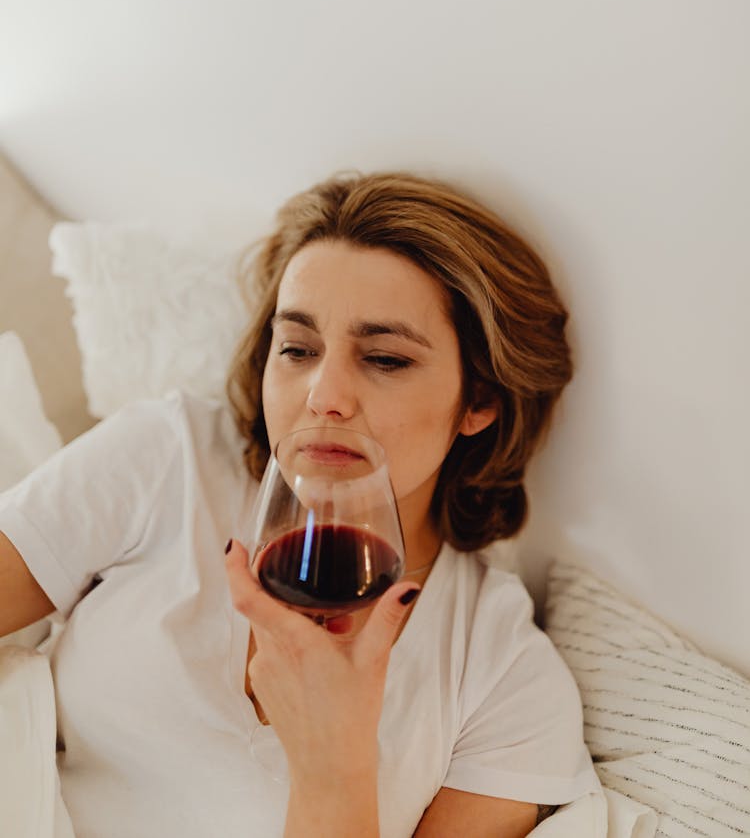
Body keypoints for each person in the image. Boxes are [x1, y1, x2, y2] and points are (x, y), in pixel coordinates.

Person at [0, 170, 601, 838]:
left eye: (386, 358)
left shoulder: (506, 681)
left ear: (479, 400)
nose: (325, 394)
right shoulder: (172, 457)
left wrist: (334, 768)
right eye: (298, 348)